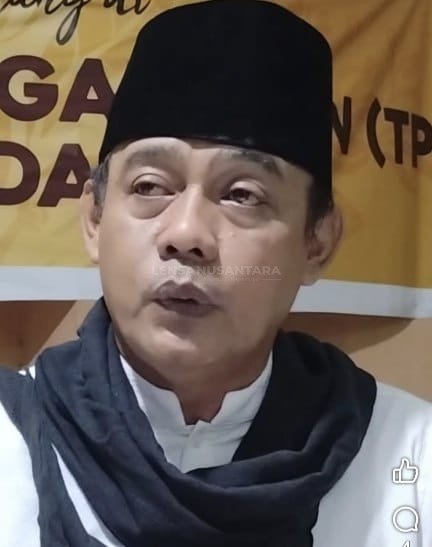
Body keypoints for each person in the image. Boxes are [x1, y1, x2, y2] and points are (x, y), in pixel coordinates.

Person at [0, 1, 431, 546]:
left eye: (242, 195)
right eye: (150, 187)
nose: (186, 234)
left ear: (317, 242)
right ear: (94, 220)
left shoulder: (409, 460)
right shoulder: (11, 441)